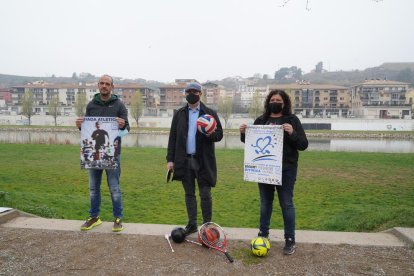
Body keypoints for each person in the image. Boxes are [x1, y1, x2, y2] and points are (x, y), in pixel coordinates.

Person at [239, 89, 308, 255]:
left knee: (286, 203)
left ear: (284, 103)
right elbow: (250, 142)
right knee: (265, 203)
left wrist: (292, 133)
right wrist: (243, 133)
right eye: (272, 99)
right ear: (268, 102)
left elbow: (303, 144)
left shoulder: (292, 120)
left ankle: (290, 239)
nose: (275, 102)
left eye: (278, 100)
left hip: (286, 170)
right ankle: (263, 235)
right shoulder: (261, 120)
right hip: (264, 170)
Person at [166, 82, 223, 236]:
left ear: (200, 94)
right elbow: (173, 138)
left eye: (195, 91)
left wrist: (209, 133)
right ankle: (192, 224)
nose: (192, 94)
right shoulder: (179, 114)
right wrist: (170, 160)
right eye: (189, 91)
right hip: (184, 160)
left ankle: (207, 226)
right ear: (185, 93)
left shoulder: (209, 113)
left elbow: (219, 135)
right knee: (189, 194)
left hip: (203, 161)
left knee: (205, 194)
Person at [75, 74, 130, 232]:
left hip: (112, 153)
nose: (104, 86)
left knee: (114, 187)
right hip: (93, 153)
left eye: (107, 83)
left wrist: (122, 123)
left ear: (112, 87)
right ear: (98, 85)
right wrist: (80, 125)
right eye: (102, 83)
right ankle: (94, 217)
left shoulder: (119, 105)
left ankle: (118, 218)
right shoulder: (91, 105)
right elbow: (88, 130)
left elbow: (127, 129)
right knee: (93, 187)